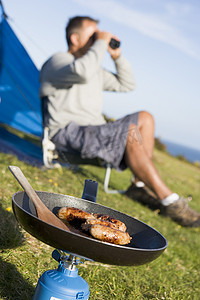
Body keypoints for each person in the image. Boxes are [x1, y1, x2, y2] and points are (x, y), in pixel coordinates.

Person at [39, 16, 200, 227]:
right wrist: (100, 43)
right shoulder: (58, 61)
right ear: (75, 38)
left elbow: (127, 84)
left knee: (145, 117)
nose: (100, 40)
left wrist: (117, 57)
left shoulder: (92, 68)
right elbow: (83, 73)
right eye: (94, 36)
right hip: (68, 132)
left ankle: (139, 185)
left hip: (95, 131)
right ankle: (170, 201)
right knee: (129, 130)